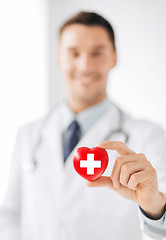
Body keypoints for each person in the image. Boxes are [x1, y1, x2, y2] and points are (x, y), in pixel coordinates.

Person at [0, 11, 166, 240]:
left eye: (97, 53)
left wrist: (154, 207)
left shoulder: (148, 137)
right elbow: (10, 215)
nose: (85, 65)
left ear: (114, 58)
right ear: (59, 57)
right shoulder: (29, 134)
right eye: (73, 53)